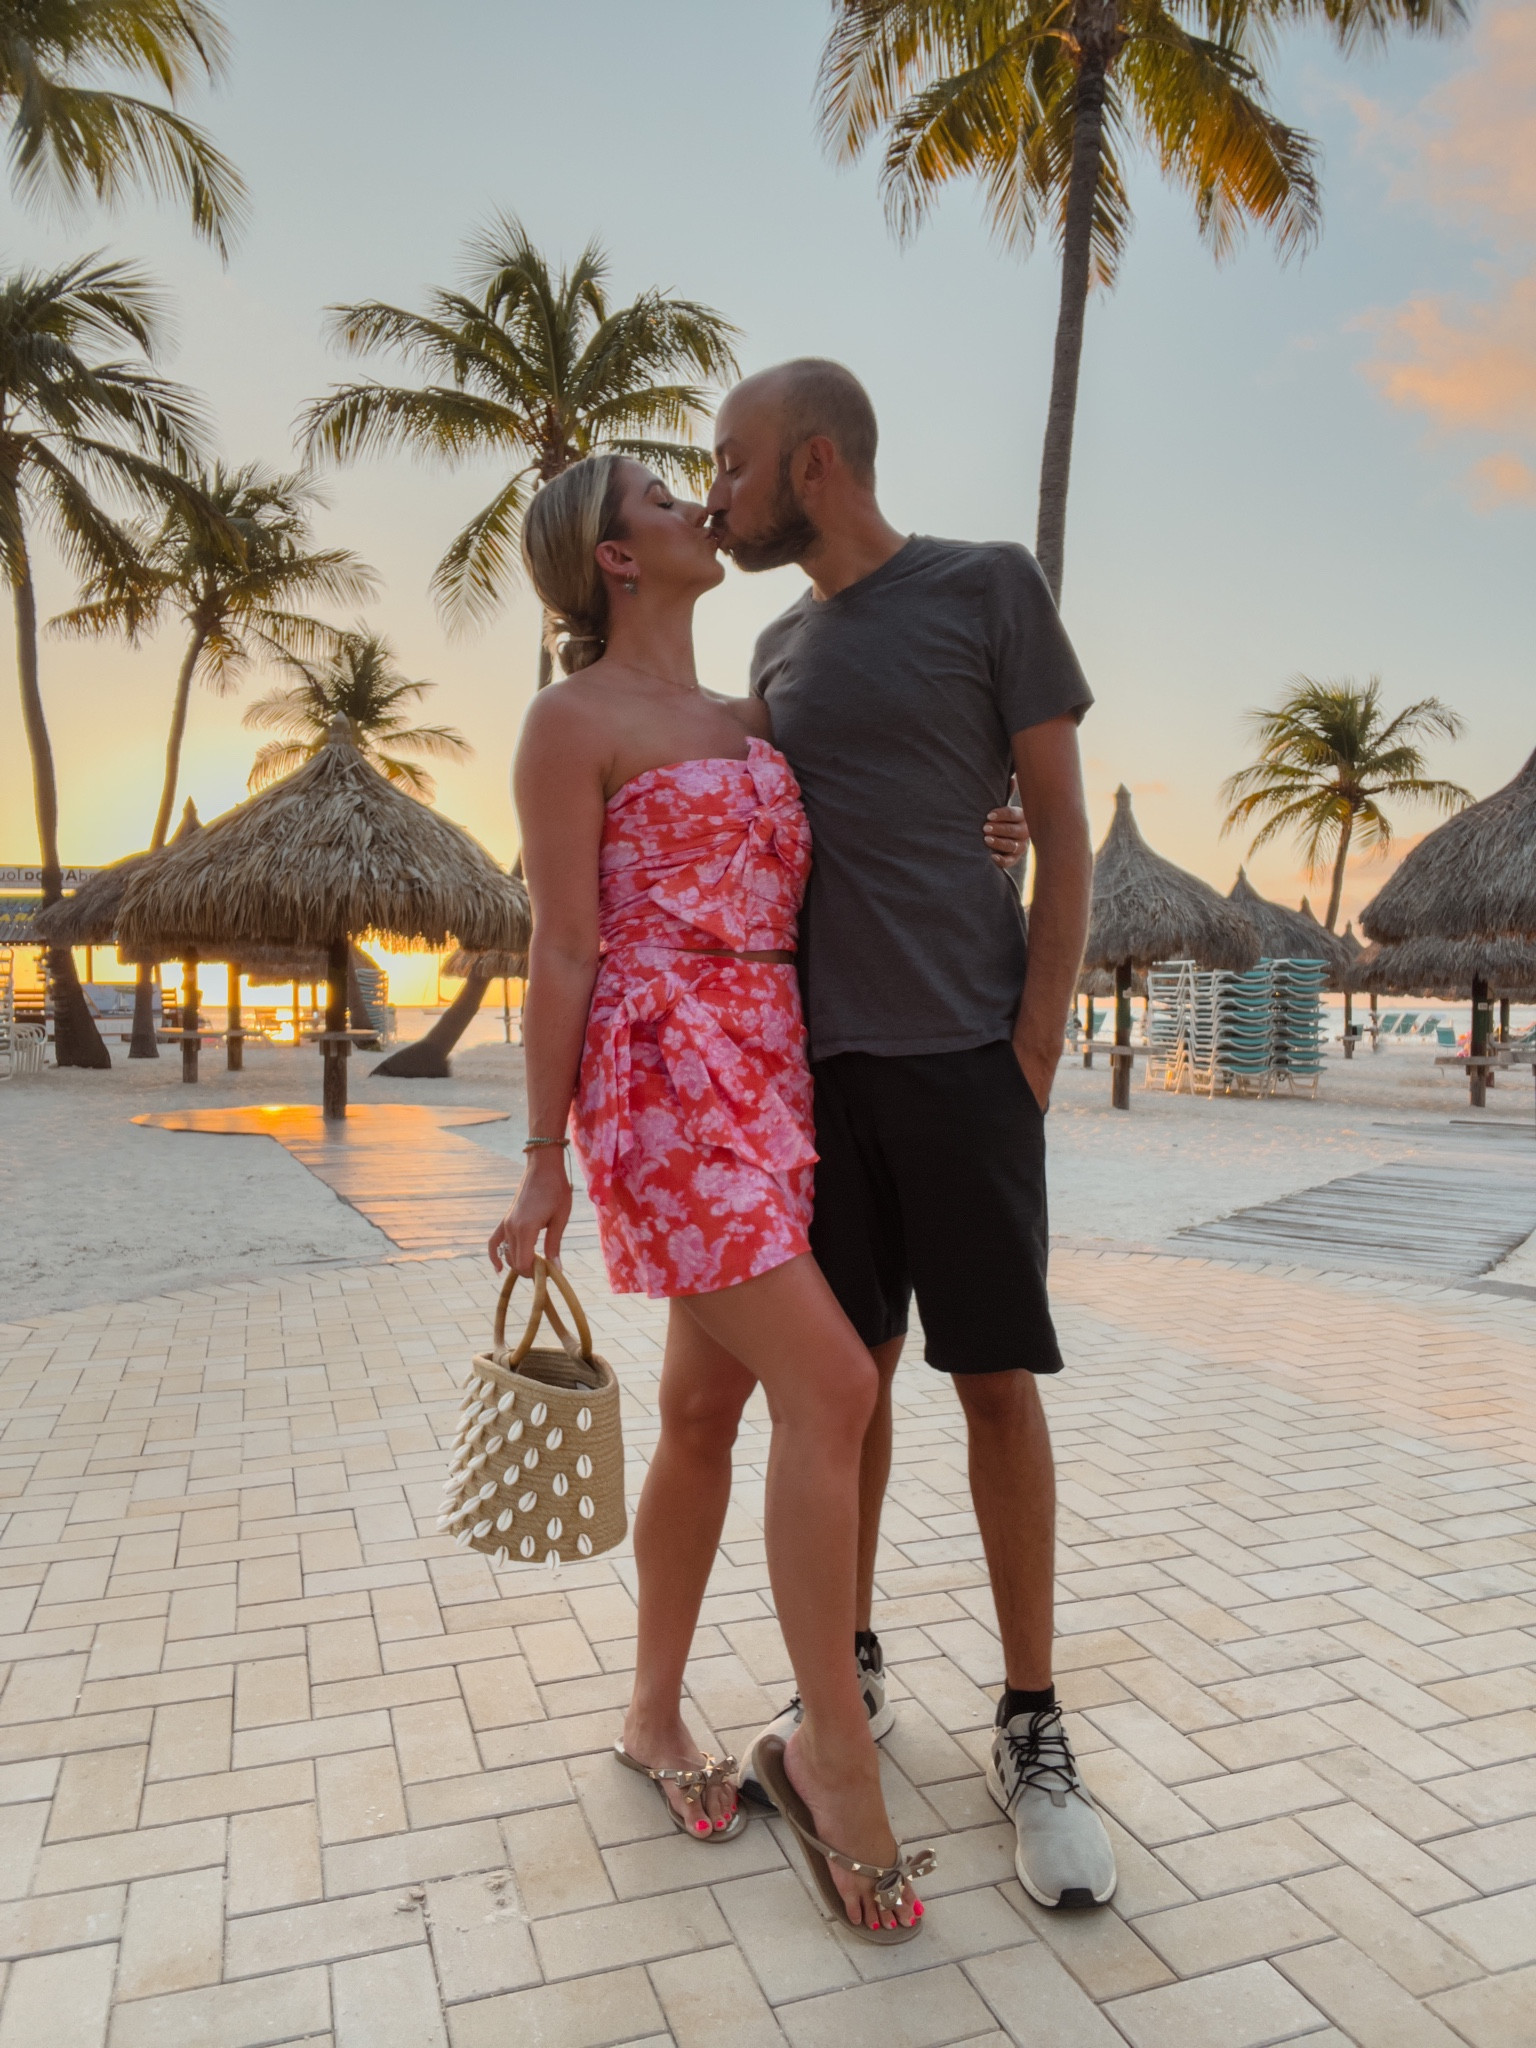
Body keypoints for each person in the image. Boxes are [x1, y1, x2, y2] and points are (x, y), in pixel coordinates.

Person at [490, 451, 1025, 1938]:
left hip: (776, 1067)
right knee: (839, 1386)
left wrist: (997, 841)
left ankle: (652, 1717)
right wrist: (544, 1157)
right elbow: (563, 948)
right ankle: (830, 1757)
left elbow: (864, 843)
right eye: (667, 496)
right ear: (614, 558)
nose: (697, 510)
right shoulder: (570, 720)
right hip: (664, 1080)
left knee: (702, 1414)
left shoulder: (754, 715)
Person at [710, 359, 1118, 1910]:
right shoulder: (773, 647)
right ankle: (850, 1676)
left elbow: (1062, 831)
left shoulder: (988, 588)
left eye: (733, 462)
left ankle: (1031, 1724)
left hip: (968, 1067)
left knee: (996, 1389)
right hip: (824, 1082)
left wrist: (1030, 1049)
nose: (715, 488)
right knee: (848, 1393)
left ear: (817, 462)